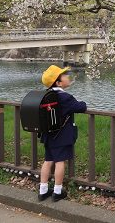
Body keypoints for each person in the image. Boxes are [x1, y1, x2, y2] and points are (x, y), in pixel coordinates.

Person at [38, 65, 87, 202]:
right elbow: (81, 107)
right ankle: (57, 191)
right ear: (59, 83)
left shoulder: (46, 95)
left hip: (48, 134)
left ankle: (43, 190)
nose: (68, 77)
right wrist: (81, 101)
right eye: (64, 75)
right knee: (60, 162)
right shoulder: (65, 97)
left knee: (48, 161)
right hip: (62, 135)